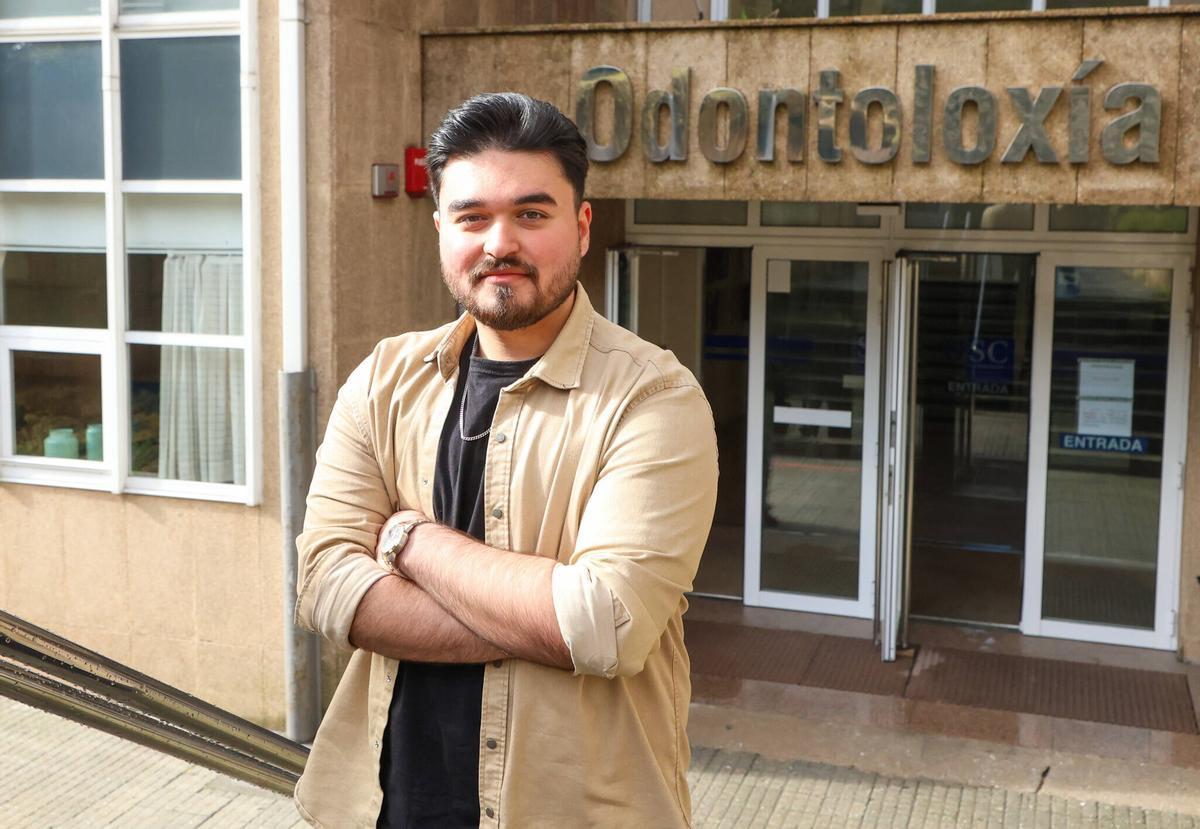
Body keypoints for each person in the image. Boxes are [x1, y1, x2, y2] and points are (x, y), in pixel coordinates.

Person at [293, 92, 719, 828]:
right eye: (472, 216)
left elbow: (606, 625)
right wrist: (542, 621)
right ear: (440, 230)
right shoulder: (385, 378)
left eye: (531, 213)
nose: (500, 242)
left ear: (582, 227)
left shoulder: (653, 397)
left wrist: (408, 540)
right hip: (386, 809)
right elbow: (327, 588)